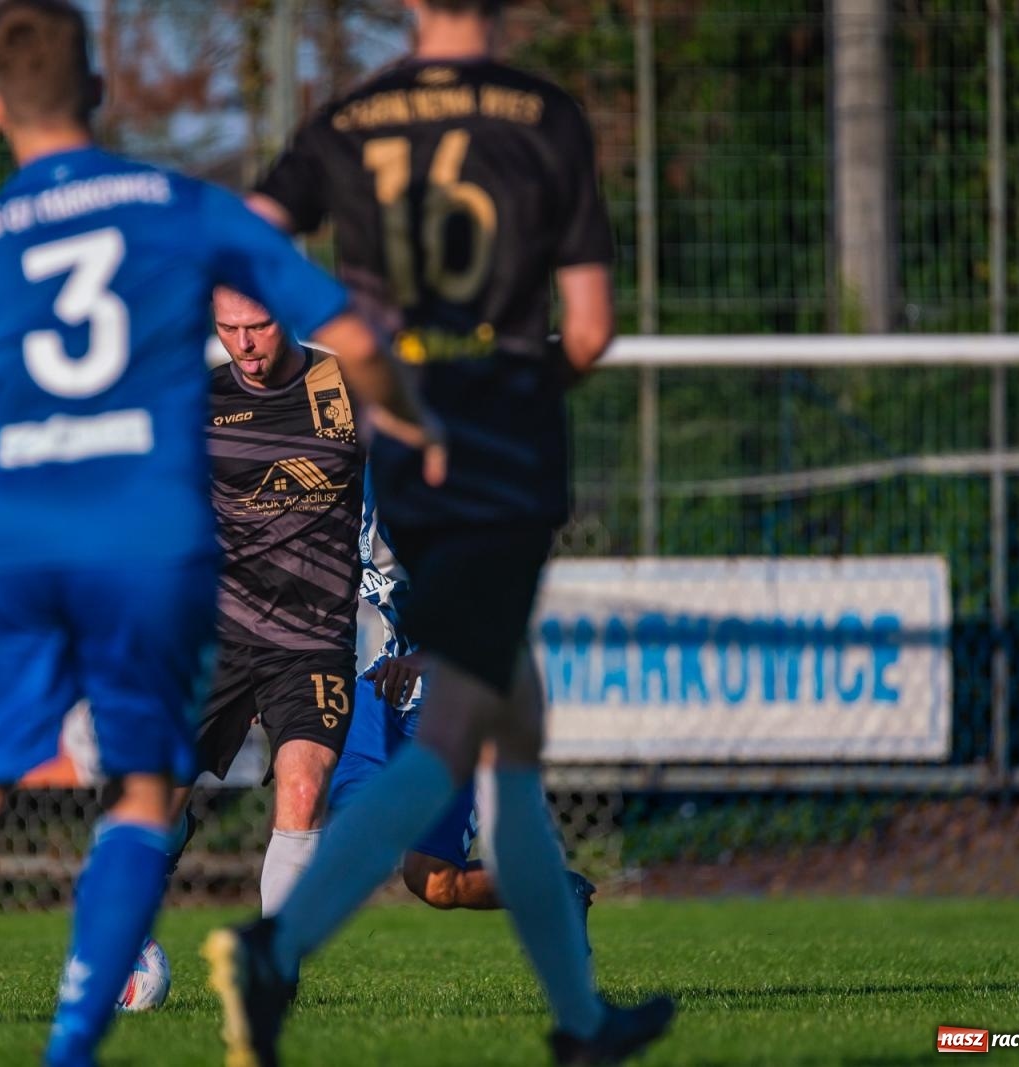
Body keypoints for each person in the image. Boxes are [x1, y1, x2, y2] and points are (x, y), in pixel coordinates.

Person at [0, 3, 433, 1066]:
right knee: (145, 790)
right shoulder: (180, 208)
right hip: (138, 536)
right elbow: (358, 335)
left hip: (3, 530)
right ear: (97, 90)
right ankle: (69, 1048)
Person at [204, 2, 675, 1065]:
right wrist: (517, 380)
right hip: (500, 452)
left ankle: (583, 1020)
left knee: (505, 724)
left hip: (404, 444)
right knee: (486, 723)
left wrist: (371, 357)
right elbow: (591, 329)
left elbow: (244, 235)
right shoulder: (545, 118)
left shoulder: (352, 119)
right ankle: (278, 949)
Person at [169, 287, 365, 916]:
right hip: (215, 634)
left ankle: (271, 969)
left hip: (313, 638)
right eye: (229, 329)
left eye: (259, 327)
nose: (245, 346)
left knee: (304, 789)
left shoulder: (349, 388)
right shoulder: (195, 403)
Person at [335, 473, 598, 917]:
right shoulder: (353, 475)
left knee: (434, 883)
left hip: (461, 700)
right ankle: (270, 976)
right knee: (306, 803)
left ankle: (552, 893)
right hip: (385, 692)